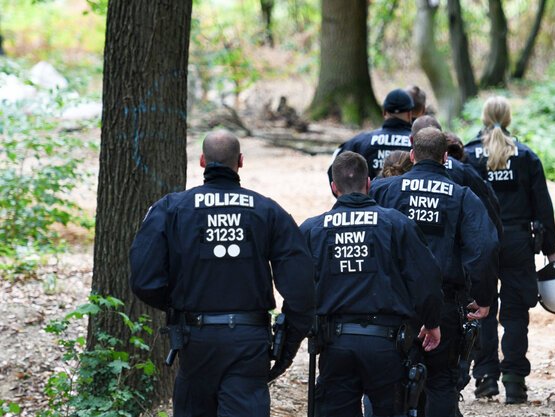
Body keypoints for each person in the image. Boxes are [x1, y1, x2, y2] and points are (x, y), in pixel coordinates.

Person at [129, 130, 315, 416]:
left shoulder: (172, 209)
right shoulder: (267, 211)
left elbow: (144, 280)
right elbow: (302, 289)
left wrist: (180, 303)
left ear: (203, 161)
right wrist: (286, 348)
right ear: (240, 161)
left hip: (195, 339)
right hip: (249, 341)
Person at [300, 151, 442, 416]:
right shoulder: (397, 224)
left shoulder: (312, 229)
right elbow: (427, 276)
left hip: (335, 344)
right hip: (386, 344)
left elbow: (296, 285)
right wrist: (432, 322)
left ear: (334, 187)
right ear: (368, 184)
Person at [370, 128, 498, 416]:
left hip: (390, 304)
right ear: (444, 158)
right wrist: (484, 297)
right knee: (441, 383)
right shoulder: (462, 196)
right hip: (444, 304)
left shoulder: (383, 189)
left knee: (387, 382)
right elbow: (486, 246)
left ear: (413, 154)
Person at [464, 96, 555, 405]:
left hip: (480, 243)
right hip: (518, 242)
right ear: (508, 119)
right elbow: (543, 206)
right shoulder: (527, 156)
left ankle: (486, 377)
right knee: (516, 312)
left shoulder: (468, 156)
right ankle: (515, 381)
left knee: (481, 308)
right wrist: (551, 251)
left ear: (482, 117)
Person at [330, 88, 415, 181]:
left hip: (368, 195)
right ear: (410, 114)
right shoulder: (418, 143)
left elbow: (335, 168)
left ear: (384, 112)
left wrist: (348, 195)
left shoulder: (360, 141)